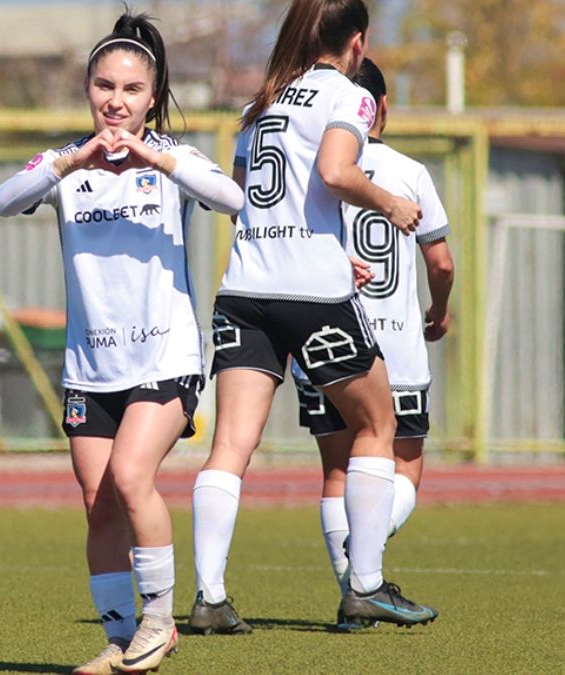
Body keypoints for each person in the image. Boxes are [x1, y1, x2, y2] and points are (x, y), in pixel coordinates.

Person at [0, 11, 243, 674]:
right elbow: (4, 199)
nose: (116, 99)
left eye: (131, 89)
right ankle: (119, 637)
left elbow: (232, 197)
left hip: (164, 357)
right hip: (90, 365)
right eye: (105, 85)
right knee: (98, 505)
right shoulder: (66, 164)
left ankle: (160, 624)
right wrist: (74, 160)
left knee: (132, 478)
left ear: (151, 97)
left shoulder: (171, 158)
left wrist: (153, 156)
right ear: (87, 88)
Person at [189, 0, 438, 635]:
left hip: (244, 291)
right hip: (312, 298)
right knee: (377, 425)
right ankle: (366, 585)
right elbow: (333, 172)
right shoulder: (349, 94)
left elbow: (250, 196)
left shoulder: (262, 102)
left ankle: (210, 598)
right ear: (358, 40)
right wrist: (389, 203)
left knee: (230, 445)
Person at [291, 58, 454, 630]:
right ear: (383, 107)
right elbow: (441, 260)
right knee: (402, 469)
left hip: (324, 342)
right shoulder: (408, 172)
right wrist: (439, 310)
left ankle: (355, 594)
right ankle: (366, 569)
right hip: (397, 351)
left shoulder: (318, 170)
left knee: (338, 472)